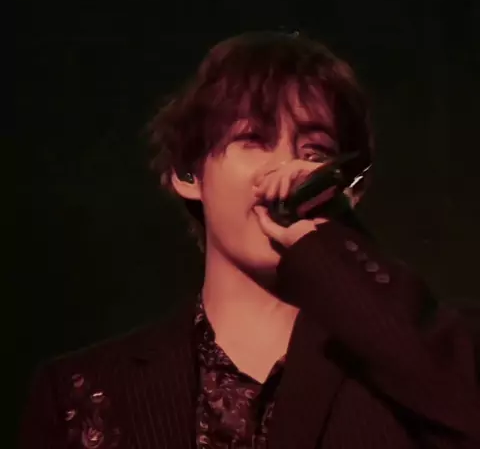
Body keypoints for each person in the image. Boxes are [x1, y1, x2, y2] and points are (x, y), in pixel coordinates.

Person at [20, 31, 480, 449]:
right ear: (188, 174)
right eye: (255, 139)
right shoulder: (81, 391)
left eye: (314, 151)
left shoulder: (411, 364)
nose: (285, 170)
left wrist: (333, 241)